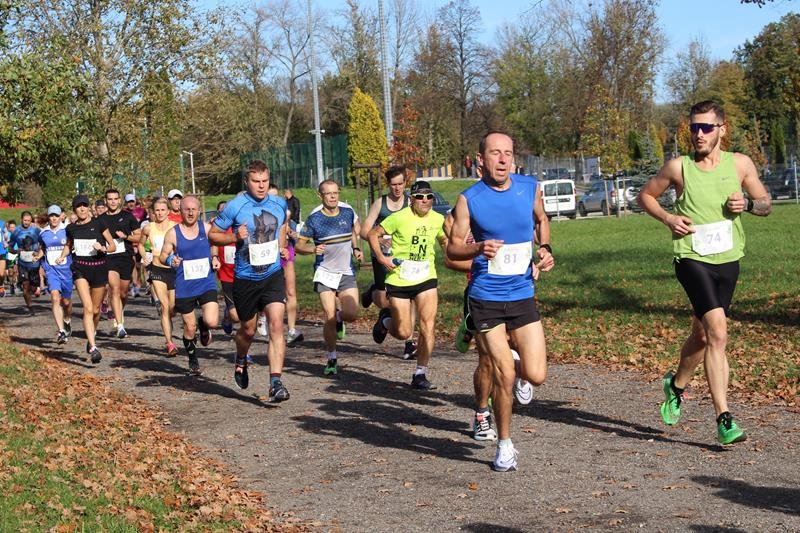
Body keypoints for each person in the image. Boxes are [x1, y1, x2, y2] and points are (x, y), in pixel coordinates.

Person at [637, 100, 771, 445]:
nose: (698, 134)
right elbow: (646, 196)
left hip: (728, 259)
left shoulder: (739, 163)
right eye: (694, 127)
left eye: (706, 127)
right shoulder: (678, 167)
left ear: (721, 130)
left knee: (702, 334)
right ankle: (724, 418)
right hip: (691, 257)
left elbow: (765, 203)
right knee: (718, 333)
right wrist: (668, 218)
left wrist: (748, 204)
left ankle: (675, 385)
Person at [447, 131, 554, 472]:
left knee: (536, 375)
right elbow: (452, 249)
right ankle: (505, 446)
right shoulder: (469, 199)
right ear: (481, 160)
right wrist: (478, 247)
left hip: (522, 294)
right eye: (495, 153)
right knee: (503, 374)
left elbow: (542, 220)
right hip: (486, 298)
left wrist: (545, 249)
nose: (503, 159)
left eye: (508, 152)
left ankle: (515, 362)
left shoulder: (528, 188)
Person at [209, 159, 291, 402]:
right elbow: (213, 235)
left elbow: (282, 225)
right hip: (245, 278)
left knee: (276, 325)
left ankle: (275, 382)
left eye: (265, 181)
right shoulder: (235, 206)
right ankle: (241, 358)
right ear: (247, 181)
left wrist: (282, 246)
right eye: (256, 181)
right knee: (248, 330)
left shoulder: (279, 203)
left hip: (272, 274)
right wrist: (235, 236)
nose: (262, 186)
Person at [367, 180, 447, 390]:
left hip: (426, 277)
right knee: (403, 332)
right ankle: (386, 321)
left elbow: (444, 240)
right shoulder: (399, 217)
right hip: (400, 279)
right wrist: (382, 258)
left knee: (428, 325)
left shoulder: (438, 219)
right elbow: (372, 234)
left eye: (429, 197)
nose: (425, 200)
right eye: (420, 197)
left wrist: (450, 249)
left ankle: (420, 373)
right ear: (411, 199)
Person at [295, 179, 363, 376]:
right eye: (328, 193)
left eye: (335, 193)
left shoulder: (347, 211)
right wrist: (312, 249)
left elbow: (353, 231)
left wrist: (356, 248)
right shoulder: (314, 219)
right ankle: (332, 358)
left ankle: (341, 318)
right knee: (329, 315)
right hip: (325, 272)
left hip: (345, 271)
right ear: (320, 196)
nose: (333, 196)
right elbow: (299, 245)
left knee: (351, 314)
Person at [360, 166, 417, 359]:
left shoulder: (410, 202)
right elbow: (364, 231)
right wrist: (379, 238)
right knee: (385, 300)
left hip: (406, 257)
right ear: (388, 184)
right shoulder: (380, 204)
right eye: (394, 184)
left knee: (410, 298)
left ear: (405, 183)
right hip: (383, 257)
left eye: (401, 184)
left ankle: (409, 343)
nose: (398, 188)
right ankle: (375, 297)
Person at [159, 195, 220, 375]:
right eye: (187, 209)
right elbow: (162, 256)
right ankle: (193, 360)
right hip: (185, 285)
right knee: (190, 327)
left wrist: (215, 257)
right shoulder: (173, 233)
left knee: (212, 321)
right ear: (181, 211)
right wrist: (170, 259)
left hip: (206, 282)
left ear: (199, 210)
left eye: (194, 209)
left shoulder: (206, 228)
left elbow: (215, 244)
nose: (191, 213)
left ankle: (205, 325)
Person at [58, 194, 117, 363]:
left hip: (99, 268)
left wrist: (103, 248)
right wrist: (62, 256)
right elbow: (69, 245)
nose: (82, 208)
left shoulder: (99, 223)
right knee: (88, 307)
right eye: (79, 206)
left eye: (84, 205)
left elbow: (112, 246)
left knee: (96, 310)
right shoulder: (71, 228)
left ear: (89, 207)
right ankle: (93, 347)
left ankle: (92, 335)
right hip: (80, 269)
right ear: (74, 210)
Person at [139, 197, 179, 357]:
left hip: (173, 270)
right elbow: (141, 244)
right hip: (157, 269)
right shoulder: (149, 228)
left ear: (168, 211)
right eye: (157, 210)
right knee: (164, 306)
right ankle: (170, 343)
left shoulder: (175, 227)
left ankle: (170, 328)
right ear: (153, 212)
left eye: (163, 210)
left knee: (172, 308)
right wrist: (145, 256)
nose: (160, 213)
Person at [99, 189, 141, 338]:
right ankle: (120, 326)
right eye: (110, 199)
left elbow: (139, 237)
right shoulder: (100, 219)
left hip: (125, 257)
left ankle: (120, 311)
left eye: (115, 199)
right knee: (114, 289)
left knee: (123, 292)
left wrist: (126, 237)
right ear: (106, 201)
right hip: (109, 258)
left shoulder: (127, 216)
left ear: (119, 200)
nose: (112, 202)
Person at [37, 205, 74, 344]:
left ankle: (67, 319)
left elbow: (71, 247)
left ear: (60, 217)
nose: (54, 218)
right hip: (51, 270)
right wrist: (38, 256)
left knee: (66, 302)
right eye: (51, 216)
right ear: (48, 217)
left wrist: (63, 256)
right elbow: (43, 248)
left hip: (66, 270)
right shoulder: (43, 233)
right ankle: (61, 331)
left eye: (56, 216)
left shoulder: (67, 230)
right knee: (54, 297)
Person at [8, 211, 42, 315]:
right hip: (22, 263)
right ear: (21, 220)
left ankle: (34, 289)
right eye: (25, 220)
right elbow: (10, 247)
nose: (26, 222)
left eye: (28, 220)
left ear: (31, 220)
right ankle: (30, 307)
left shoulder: (36, 230)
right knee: (25, 286)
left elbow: (43, 243)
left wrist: (39, 251)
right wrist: (15, 251)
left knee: (33, 287)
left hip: (34, 263)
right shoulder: (16, 231)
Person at [212, 201, 238, 335]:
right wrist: (215, 257)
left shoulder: (240, 225)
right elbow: (214, 242)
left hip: (243, 273)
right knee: (235, 314)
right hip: (226, 273)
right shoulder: (218, 227)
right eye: (221, 210)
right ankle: (228, 316)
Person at [282, 187, 303, 346]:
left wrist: (293, 235)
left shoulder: (287, 213)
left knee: (290, 291)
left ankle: (291, 330)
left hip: (286, 251)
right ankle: (262, 315)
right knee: (271, 295)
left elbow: (289, 226)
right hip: (268, 256)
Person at [0, 217, 7, 298]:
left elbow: (6, 235)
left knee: (1, 274)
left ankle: (1, 285)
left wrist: (6, 241)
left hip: (1, 251)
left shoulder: (2, 223)